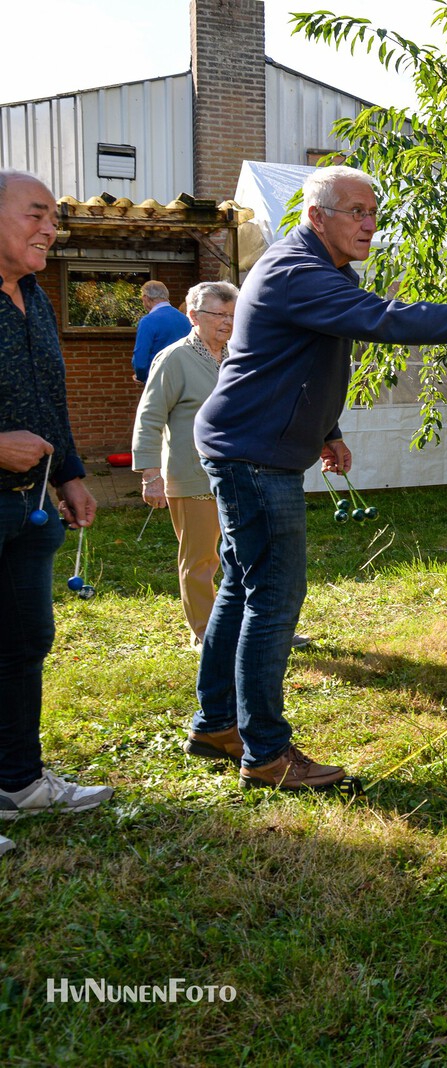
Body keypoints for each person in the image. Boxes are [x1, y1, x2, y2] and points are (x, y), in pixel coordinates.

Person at [185, 165, 447, 790]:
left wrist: (326, 430)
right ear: (317, 217)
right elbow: (387, 320)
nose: (370, 223)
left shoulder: (321, 272)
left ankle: (217, 725)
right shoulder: (294, 271)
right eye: (356, 211)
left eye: (373, 211)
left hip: (251, 445)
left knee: (241, 586)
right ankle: (265, 753)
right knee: (272, 600)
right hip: (253, 455)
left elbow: (306, 359)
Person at [0, 170, 113, 851]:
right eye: (37, 214)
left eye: (55, 219)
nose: (51, 228)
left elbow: (50, 397)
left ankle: (17, 782)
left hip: (31, 509)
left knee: (23, 645)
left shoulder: (36, 298)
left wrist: (69, 474)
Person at [130, 281, 237, 649]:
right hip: (193, 475)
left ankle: (252, 627)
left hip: (239, 474)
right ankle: (206, 633)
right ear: (192, 315)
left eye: (231, 315)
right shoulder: (175, 358)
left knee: (245, 557)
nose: (226, 322)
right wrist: (150, 473)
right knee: (201, 558)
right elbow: (149, 416)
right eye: (218, 314)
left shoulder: (237, 355)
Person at [131, 280, 191, 384]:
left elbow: (140, 360)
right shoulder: (185, 319)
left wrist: (141, 376)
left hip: (158, 379)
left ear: (146, 298)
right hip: (183, 378)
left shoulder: (148, 321)